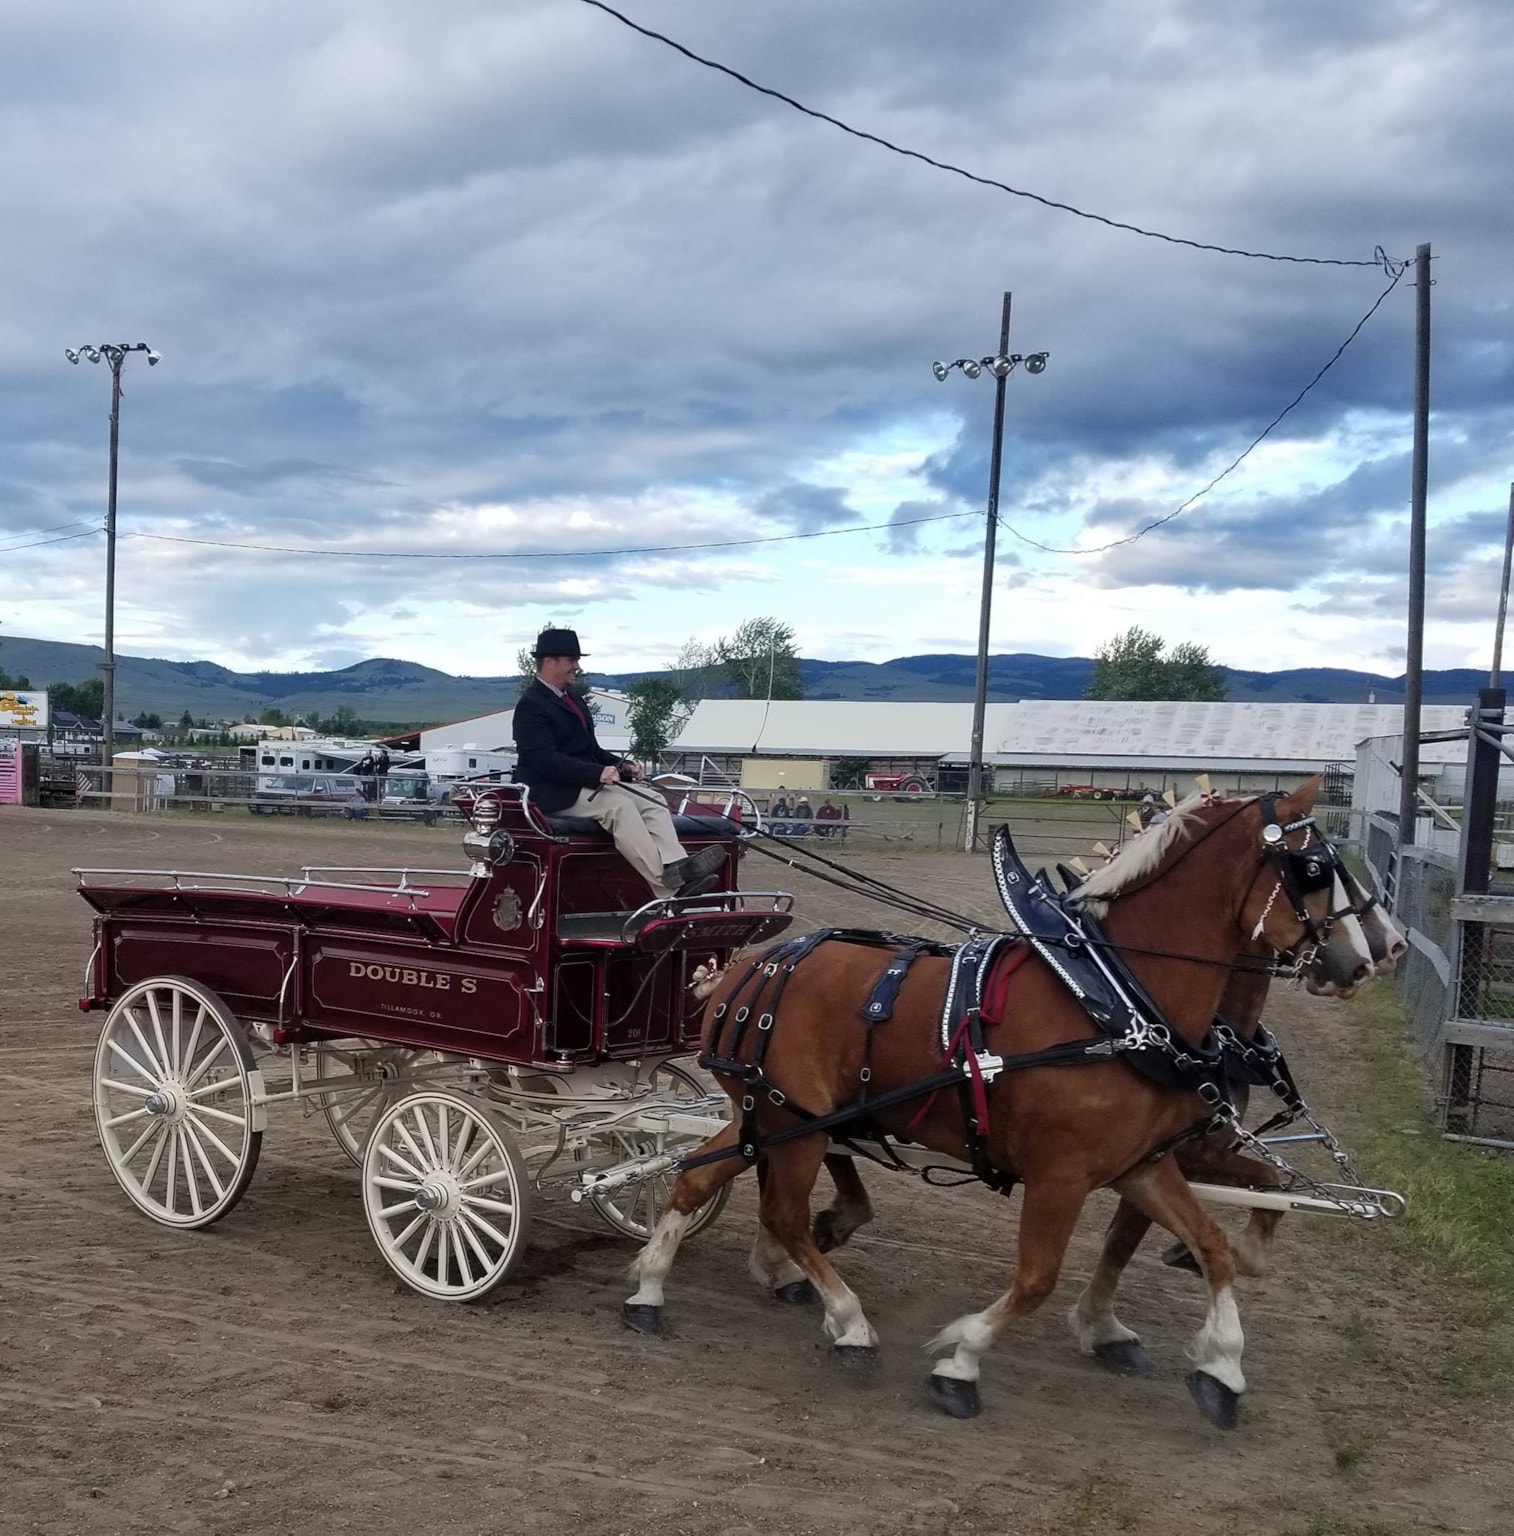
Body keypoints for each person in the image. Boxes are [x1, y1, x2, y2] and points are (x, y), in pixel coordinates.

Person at [512, 629, 724, 899]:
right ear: (549, 661)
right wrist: (597, 773)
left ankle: (676, 865)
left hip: (584, 785)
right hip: (553, 792)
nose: (577, 666)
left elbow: (591, 750)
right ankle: (668, 888)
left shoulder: (572, 699)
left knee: (654, 799)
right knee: (619, 807)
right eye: (571, 660)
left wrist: (622, 767)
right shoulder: (531, 705)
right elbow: (544, 760)